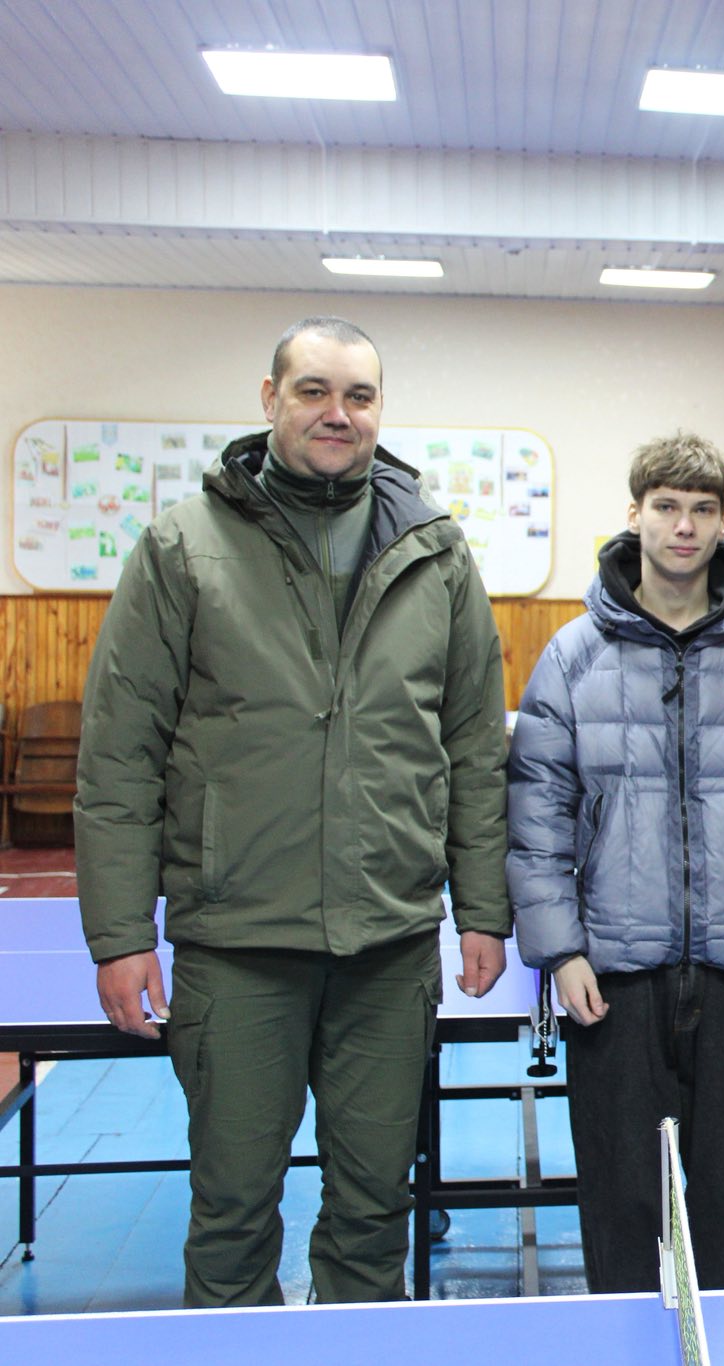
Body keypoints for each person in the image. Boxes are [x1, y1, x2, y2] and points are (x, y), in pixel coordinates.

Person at [75, 315, 510, 1307]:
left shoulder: (438, 554)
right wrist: (120, 933)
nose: (336, 413)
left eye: (358, 396)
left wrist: (482, 908)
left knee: (374, 1212)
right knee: (232, 1213)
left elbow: (475, 750)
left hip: (390, 944)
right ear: (270, 398)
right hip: (236, 942)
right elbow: (120, 756)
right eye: (313, 390)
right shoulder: (182, 546)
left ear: (379, 411)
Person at [506, 432, 724, 1292]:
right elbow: (538, 819)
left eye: (701, 509)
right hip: (614, 976)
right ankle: (623, 1343)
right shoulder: (572, 656)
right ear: (634, 515)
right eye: (666, 507)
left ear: (723, 522)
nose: (683, 526)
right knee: (621, 1204)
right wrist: (561, 951)